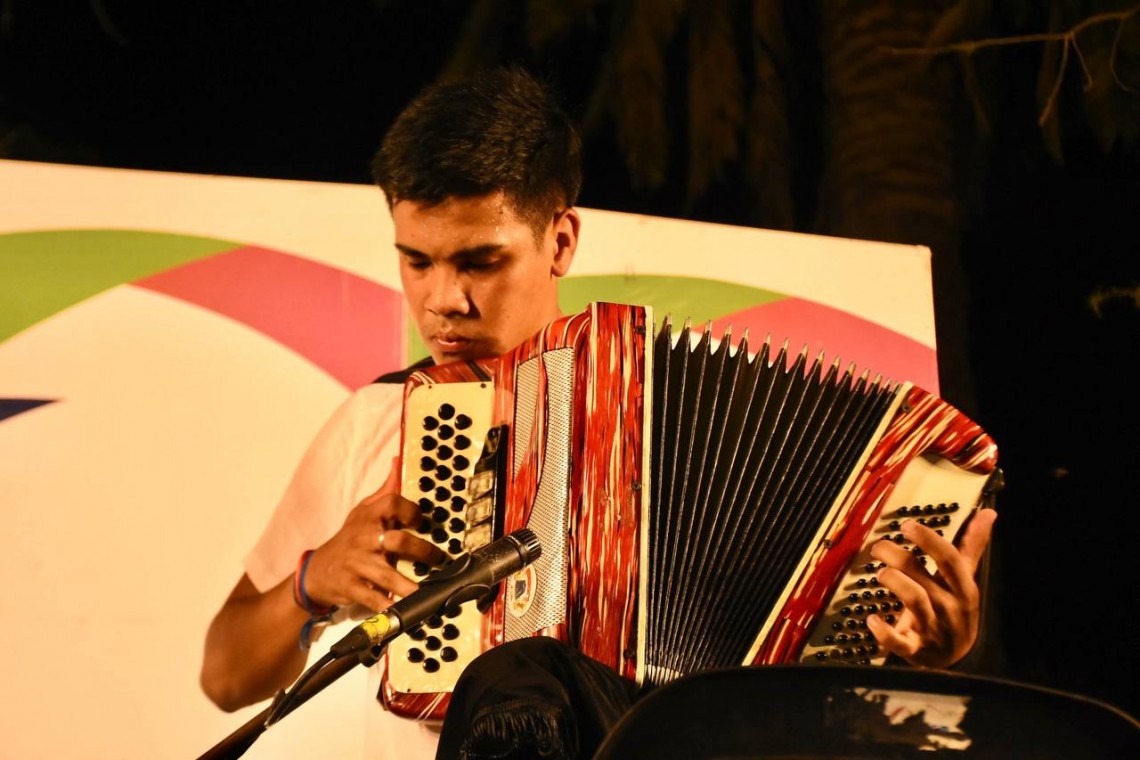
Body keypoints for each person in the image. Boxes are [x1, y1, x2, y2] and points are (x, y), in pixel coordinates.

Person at [200, 67, 997, 759]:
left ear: (560, 241)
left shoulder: (687, 405)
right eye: (417, 261)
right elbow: (226, 674)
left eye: (481, 261)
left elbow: (836, 707)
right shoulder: (376, 419)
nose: (443, 300)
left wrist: (928, 656)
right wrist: (309, 583)